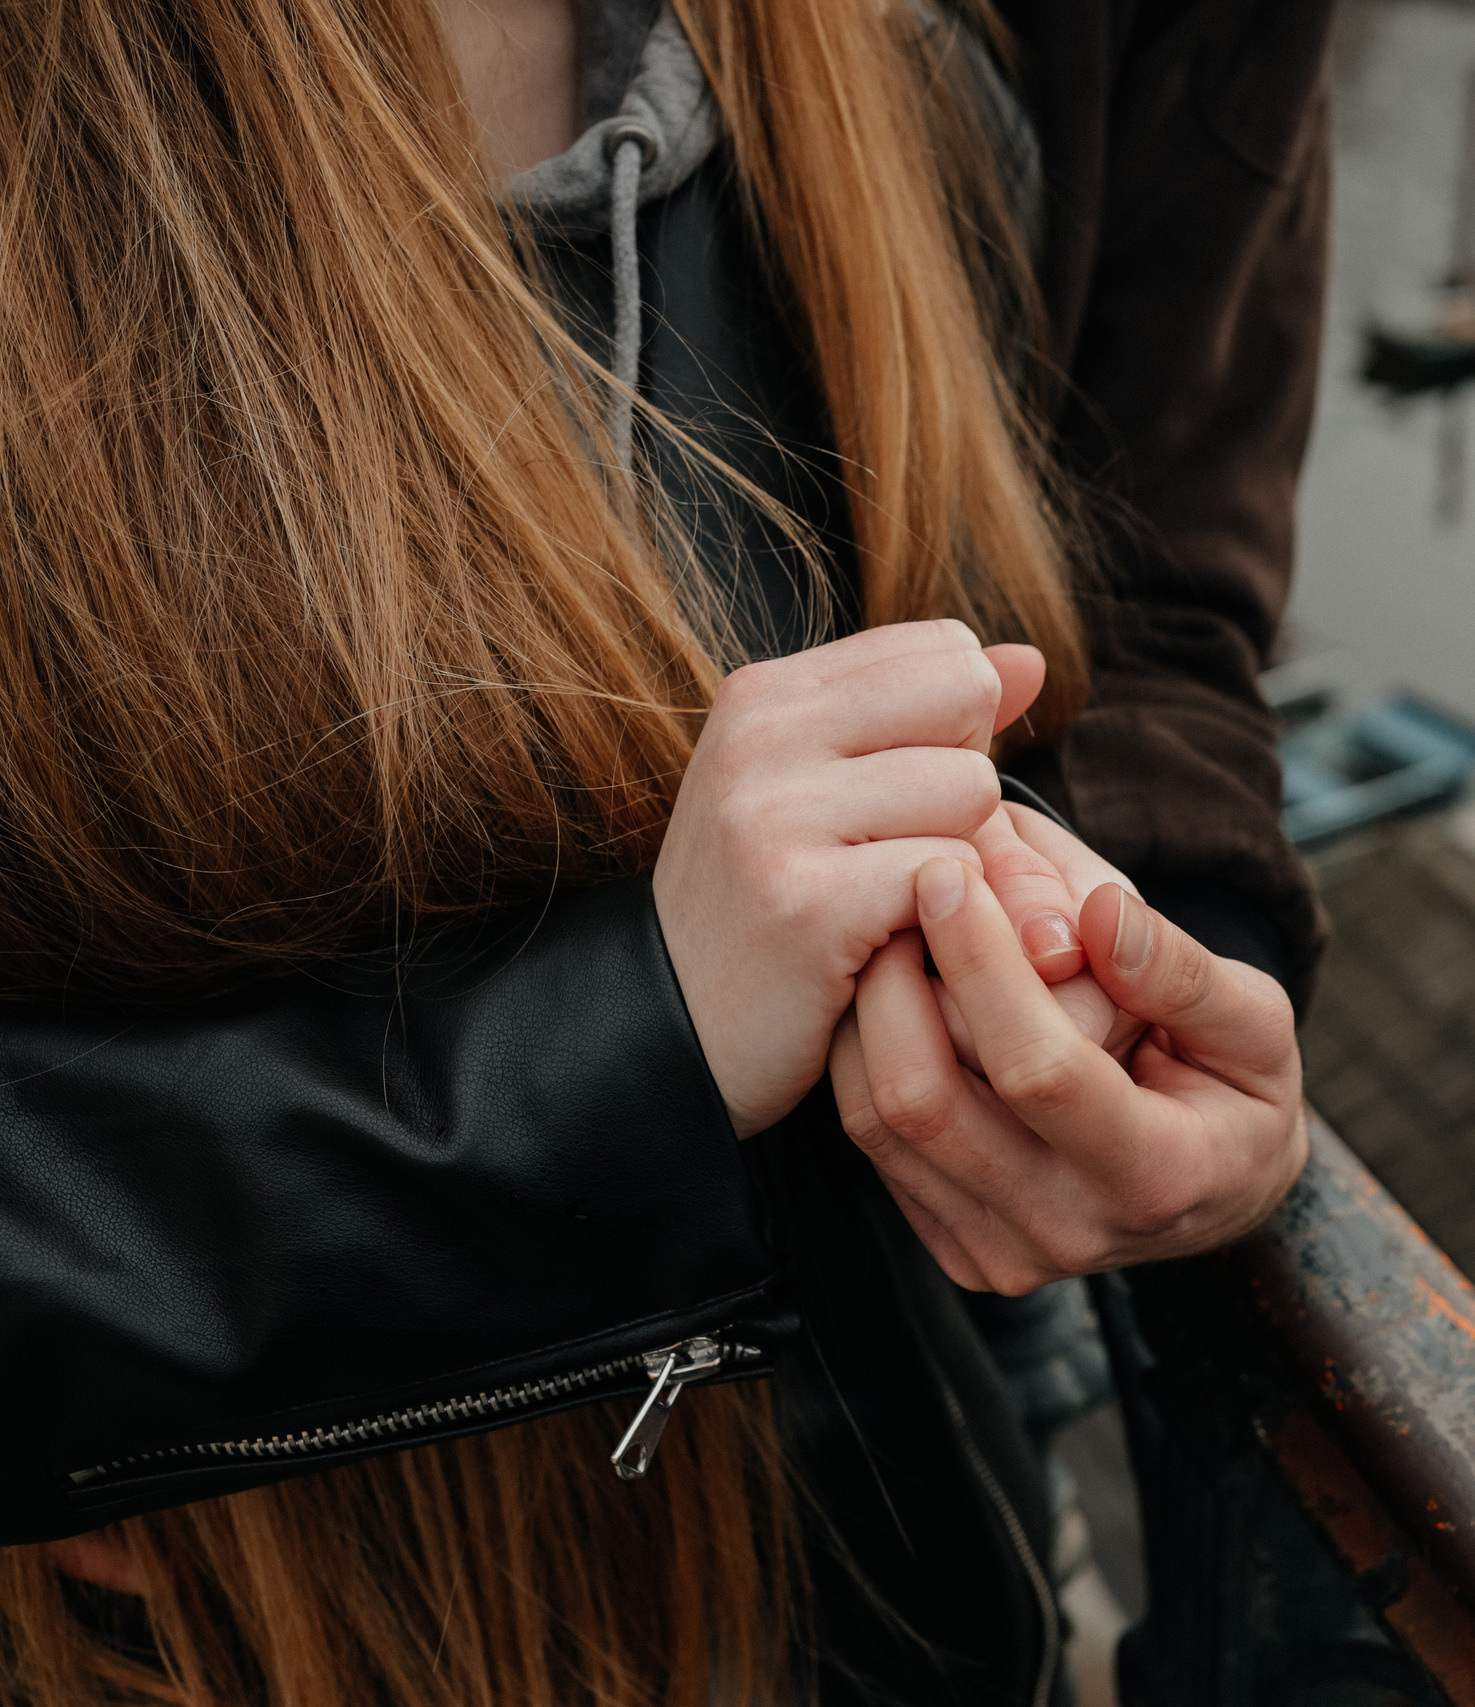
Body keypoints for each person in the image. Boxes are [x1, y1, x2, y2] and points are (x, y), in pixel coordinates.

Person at [0, 0, 1335, 1701]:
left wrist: (1147, 965)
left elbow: (1152, 581)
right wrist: (629, 1038)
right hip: (217, 1638)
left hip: (926, 1536)